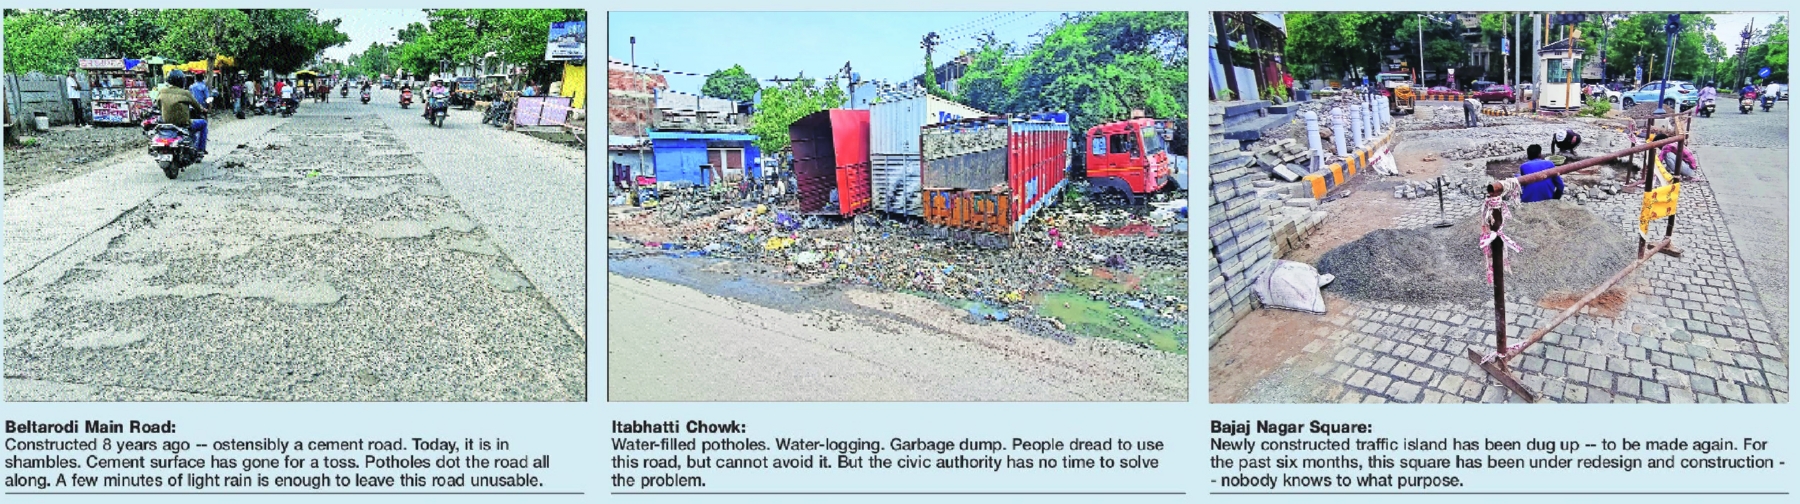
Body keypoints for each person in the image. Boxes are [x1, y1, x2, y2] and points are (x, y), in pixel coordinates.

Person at [153, 70, 209, 155]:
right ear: (182, 81)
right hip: (183, 124)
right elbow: (197, 107)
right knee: (203, 123)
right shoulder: (185, 93)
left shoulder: (162, 91)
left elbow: (157, 105)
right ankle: (200, 150)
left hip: (166, 123)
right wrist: (204, 110)